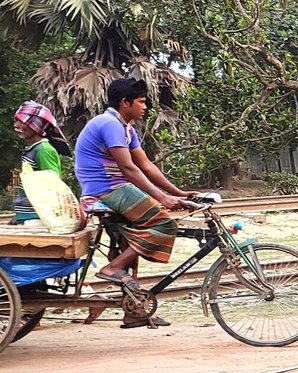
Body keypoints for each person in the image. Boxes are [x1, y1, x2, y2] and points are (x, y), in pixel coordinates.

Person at [74, 78, 198, 326]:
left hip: (115, 186)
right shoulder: (110, 124)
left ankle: (134, 311)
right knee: (164, 223)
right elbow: (129, 169)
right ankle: (112, 268)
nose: (145, 107)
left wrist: (179, 193)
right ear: (125, 102)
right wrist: (163, 198)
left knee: (131, 242)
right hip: (106, 188)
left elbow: (146, 165)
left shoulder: (126, 129)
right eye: (141, 102)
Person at [11, 101, 69, 224]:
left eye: (21, 121)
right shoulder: (34, 149)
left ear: (35, 125)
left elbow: (53, 184)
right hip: (28, 216)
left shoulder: (43, 150)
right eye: (16, 121)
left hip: (37, 217)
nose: (15, 125)